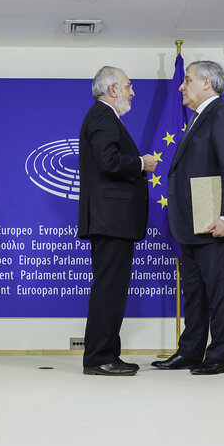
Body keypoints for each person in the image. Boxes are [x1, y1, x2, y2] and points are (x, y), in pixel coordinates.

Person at [152, 60, 224, 375]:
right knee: (194, 293)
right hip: (191, 225)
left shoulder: (222, 114)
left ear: (207, 83)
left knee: (219, 292)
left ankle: (219, 356)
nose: (182, 85)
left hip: (213, 224)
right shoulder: (198, 118)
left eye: (187, 79)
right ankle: (190, 352)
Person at [78, 66, 158, 376]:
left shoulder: (104, 117)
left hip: (112, 221)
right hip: (111, 220)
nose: (132, 92)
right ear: (112, 90)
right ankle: (99, 358)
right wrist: (141, 163)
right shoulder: (102, 116)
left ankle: (106, 353)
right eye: (128, 86)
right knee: (109, 290)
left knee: (110, 289)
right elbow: (108, 160)